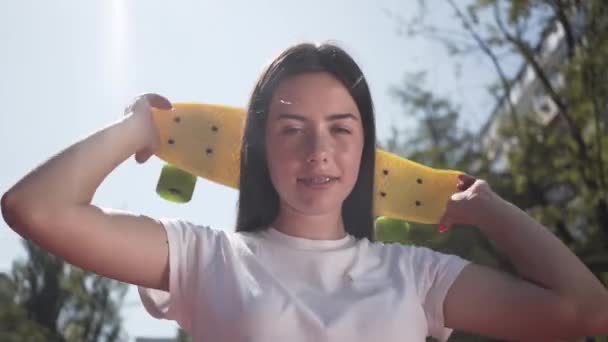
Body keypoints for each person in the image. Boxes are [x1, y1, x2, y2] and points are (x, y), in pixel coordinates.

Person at [1, 42, 607, 341]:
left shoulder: (418, 276)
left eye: (341, 129)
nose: (318, 149)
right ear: (260, 149)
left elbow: (586, 311)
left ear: (364, 150)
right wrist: (139, 128)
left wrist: (491, 213)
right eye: (291, 129)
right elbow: (35, 209)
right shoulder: (205, 258)